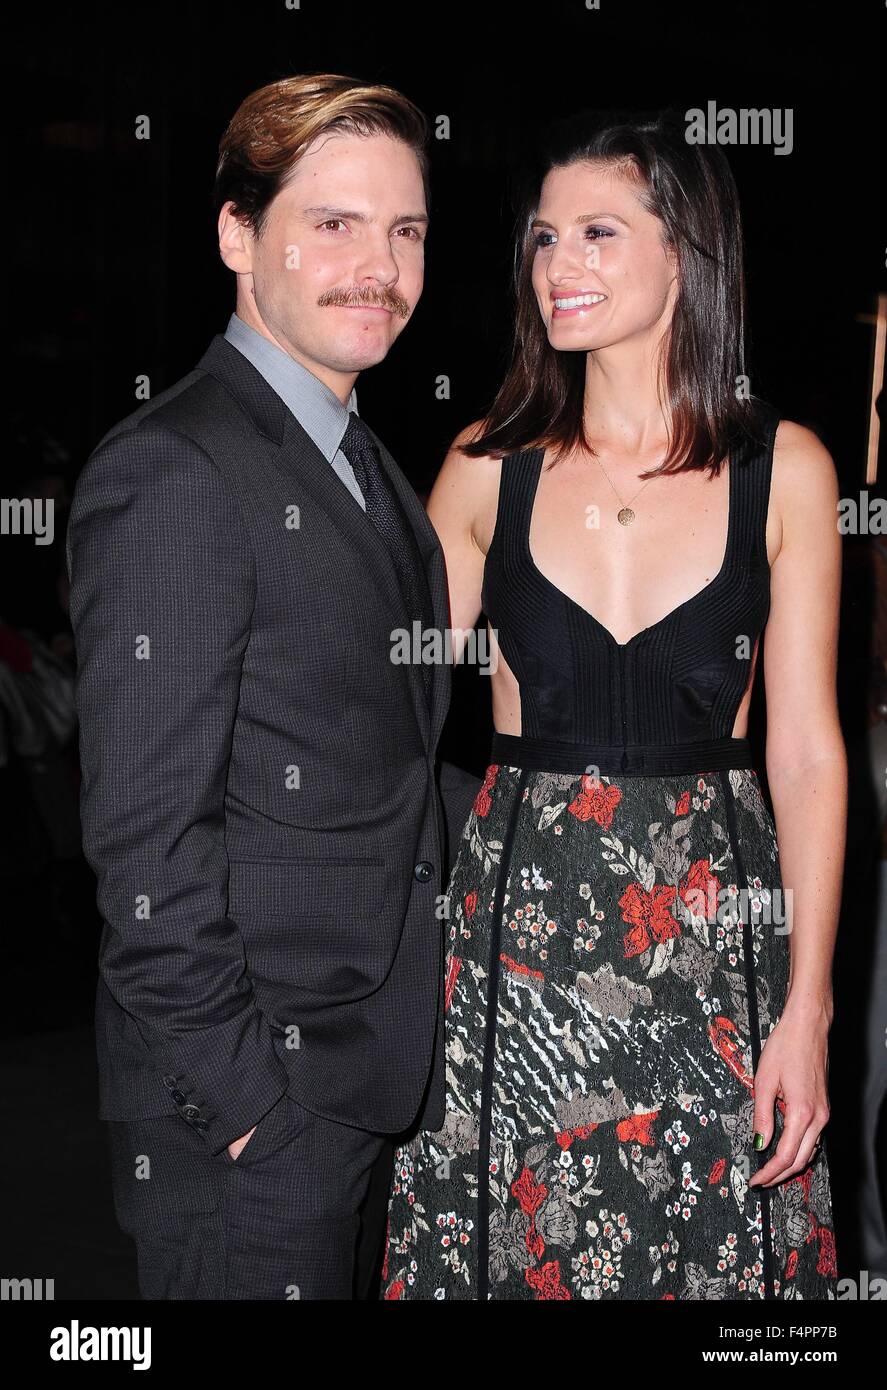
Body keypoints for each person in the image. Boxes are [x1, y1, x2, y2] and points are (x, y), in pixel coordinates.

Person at [383, 108, 844, 1300]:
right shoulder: (484, 465)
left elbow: (801, 752)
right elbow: (377, 705)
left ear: (686, 253)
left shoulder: (783, 468)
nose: (558, 266)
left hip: (715, 949)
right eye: (542, 239)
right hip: (517, 946)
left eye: (594, 232)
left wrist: (807, 1008)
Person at [66, 72, 477, 1300]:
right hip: (245, 1117)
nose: (380, 267)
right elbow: (143, 846)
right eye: (334, 223)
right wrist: (253, 1109)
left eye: (404, 230)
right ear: (238, 235)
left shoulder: (355, 455)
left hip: (352, 1075)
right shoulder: (178, 473)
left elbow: (381, 749)